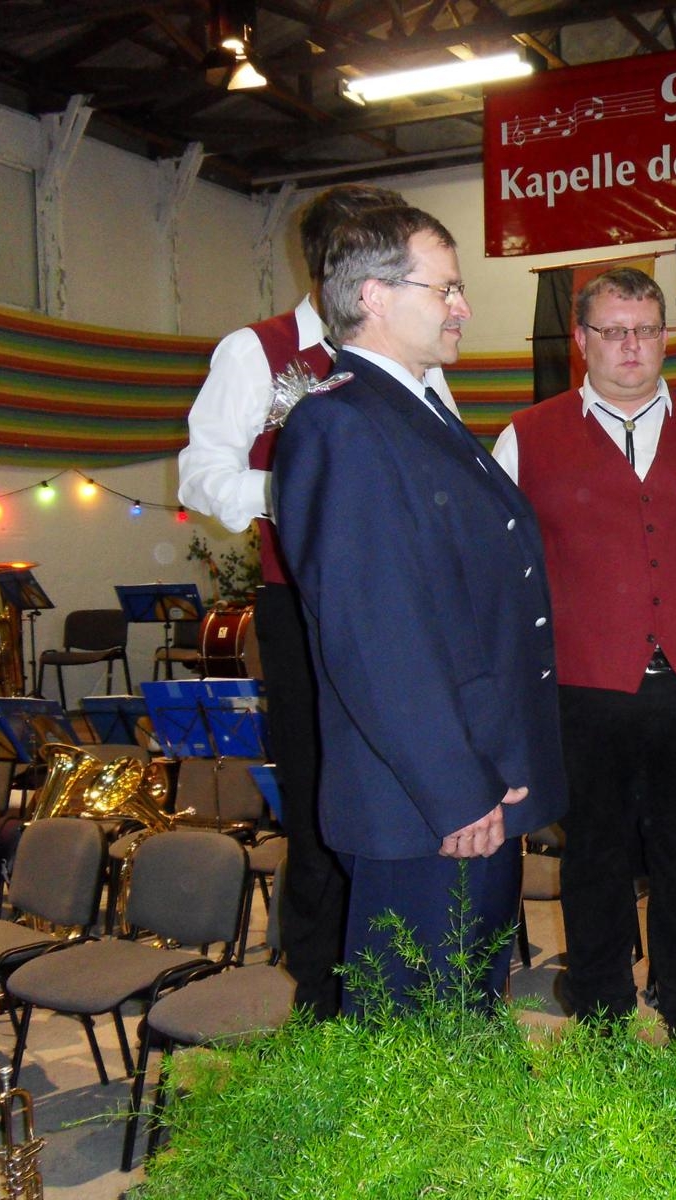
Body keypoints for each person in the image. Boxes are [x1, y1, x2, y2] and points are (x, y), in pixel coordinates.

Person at [177, 183, 458, 1018]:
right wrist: (309, 487)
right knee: (320, 800)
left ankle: (403, 979)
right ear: (343, 267)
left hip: (409, 613)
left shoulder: (412, 354)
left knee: (405, 791)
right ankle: (324, 999)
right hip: (304, 608)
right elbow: (202, 477)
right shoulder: (257, 350)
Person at [274, 205, 565, 1007]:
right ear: (374, 295)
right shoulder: (342, 424)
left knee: (462, 1021)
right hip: (428, 804)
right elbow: (375, 638)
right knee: (421, 1043)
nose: (463, 307)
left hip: (473, 777)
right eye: (447, 289)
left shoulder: (417, 411)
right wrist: (456, 789)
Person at [494, 267, 676, 1032]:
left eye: (645, 330)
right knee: (596, 857)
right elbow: (498, 570)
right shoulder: (525, 437)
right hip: (583, 684)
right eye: (614, 330)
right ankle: (603, 1022)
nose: (631, 345)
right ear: (581, 340)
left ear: (664, 339)